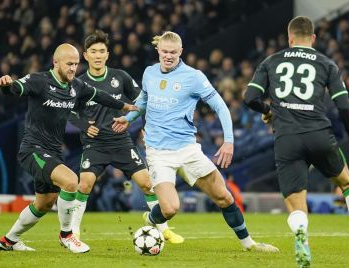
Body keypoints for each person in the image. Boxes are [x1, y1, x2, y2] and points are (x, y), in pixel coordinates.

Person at [244, 16, 349, 267]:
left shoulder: (271, 61)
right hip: (319, 135)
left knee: (295, 203)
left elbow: (250, 97)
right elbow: (344, 106)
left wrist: (268, 110)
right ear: (313, 38)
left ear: (289, 37)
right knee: (347, 184)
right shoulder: (326, 63)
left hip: (287, 138)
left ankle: (302, 233)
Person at [112, 31, 279, 253]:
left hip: (188, 149)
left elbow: (220, 106)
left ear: (180, 52)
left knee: (224, 196)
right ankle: (153, 219)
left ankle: (249, 244)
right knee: (170, 208)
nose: (168, 56)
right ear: (158, 51)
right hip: (158, 152)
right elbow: (142, 103)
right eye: (164, 52)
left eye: (173, 52)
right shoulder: (149, 73)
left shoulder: (193, 77)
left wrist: (228, 141)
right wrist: (128, 118)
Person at [0, 43, 138, 253]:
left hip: (53, 152)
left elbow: (98, 95)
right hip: (32, 149)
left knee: (44, 203)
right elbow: (14, 88)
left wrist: (125, 106)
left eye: (75, 64)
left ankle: (9, 240)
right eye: (69, 64)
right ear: (56, 63)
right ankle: (67, 235)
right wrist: (5, 85)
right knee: (72, 181)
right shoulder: (40, 80)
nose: (73, 68)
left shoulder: (76, 86)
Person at [69, 30, 183, 243]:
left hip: (121, 142)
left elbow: (142, 101)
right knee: (84, 184)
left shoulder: (120, 77)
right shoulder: (79, 83)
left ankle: (163, 229)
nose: (98, 55)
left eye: (102, 51)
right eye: (93, 51)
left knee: (148, 184)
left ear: (107, 54)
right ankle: (73, 232)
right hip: (95, 145)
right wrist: (84, 125)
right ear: (85, 55)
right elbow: (69, 110)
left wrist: (145, 124)